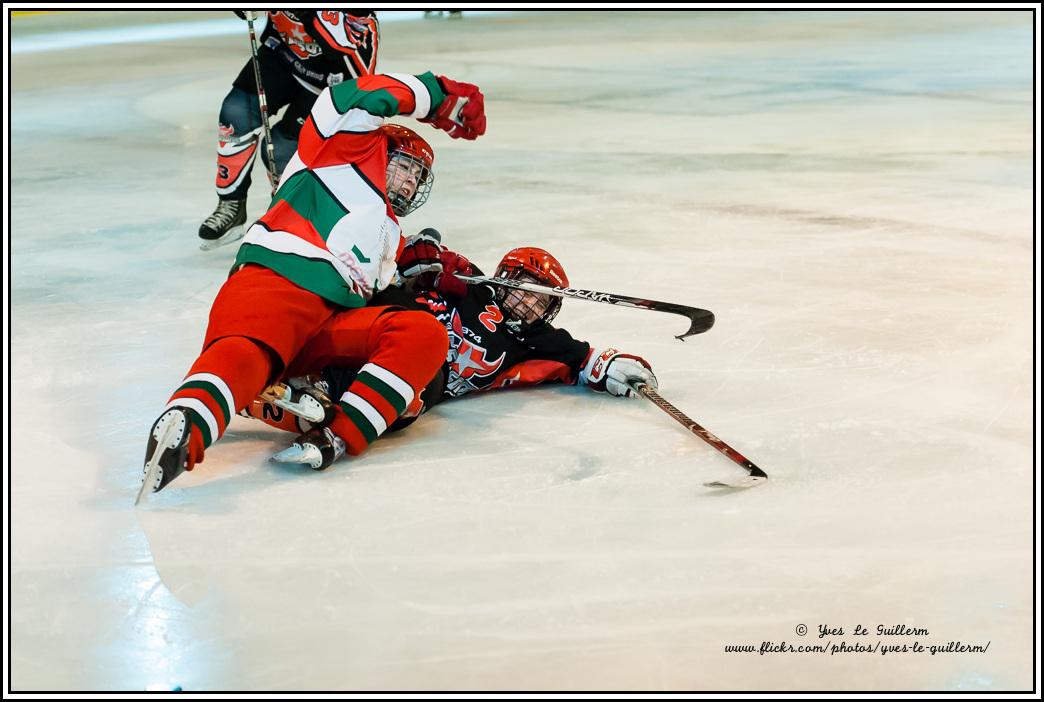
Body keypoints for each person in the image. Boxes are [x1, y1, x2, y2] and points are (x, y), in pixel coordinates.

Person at [140, 71, 487, 498]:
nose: (409, 183)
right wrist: (437, 96)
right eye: (404, 168)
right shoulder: (339, 149)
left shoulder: (390, 232)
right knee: (248, 354)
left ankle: (335, 434)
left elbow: (382, 289)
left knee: (424, 335)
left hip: (329, 323)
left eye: (418, 177)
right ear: (381, 150)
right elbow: (352, 97)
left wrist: (431, 269)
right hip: (279, 288)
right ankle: (186, 425)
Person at [244, 243, 659, 470]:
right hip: (384, 337)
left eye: (542, 300)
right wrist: (422, 261)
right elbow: (400, 264)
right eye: (527, 289)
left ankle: (318, 415)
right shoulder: (467, 283)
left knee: (414, 396)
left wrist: (614, 368)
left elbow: (583, 360)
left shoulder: (535, 338)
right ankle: (309, 382)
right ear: (505, 277)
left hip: (422, 382)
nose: (531, 304)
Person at [199, 11, 381, 250]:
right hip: (283, 54)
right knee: (237, 112)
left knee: (283, 149)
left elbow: (341, 45)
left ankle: (288, 217)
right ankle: (231, 203)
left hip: (334, 78)